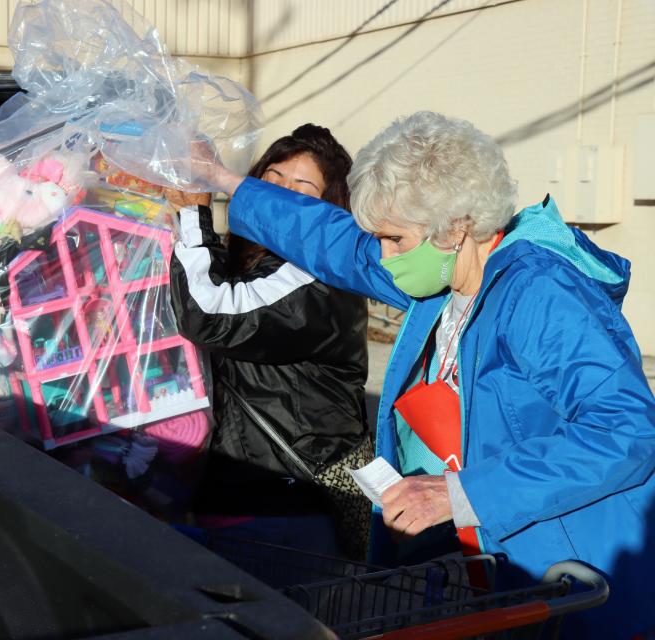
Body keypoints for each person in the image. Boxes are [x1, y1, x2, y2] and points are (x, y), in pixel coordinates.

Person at [193, 111, 655, 636]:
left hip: (573, 578)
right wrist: (224, 180)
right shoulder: (443, 273)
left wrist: (461, 493)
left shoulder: (539, 292)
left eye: (395, 240)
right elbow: (334, 240)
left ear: (457, 227)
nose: (384, 258)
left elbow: (626, 430)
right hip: (498, 565)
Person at [166, 124, 371, 560]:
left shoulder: (318, 279)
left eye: (301, 188)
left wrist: (192, 217)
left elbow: (209, 314)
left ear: (328, 210)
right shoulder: (254, 266)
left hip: (286, 511)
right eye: (272, 180)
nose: (279, 196)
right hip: (233, 498)